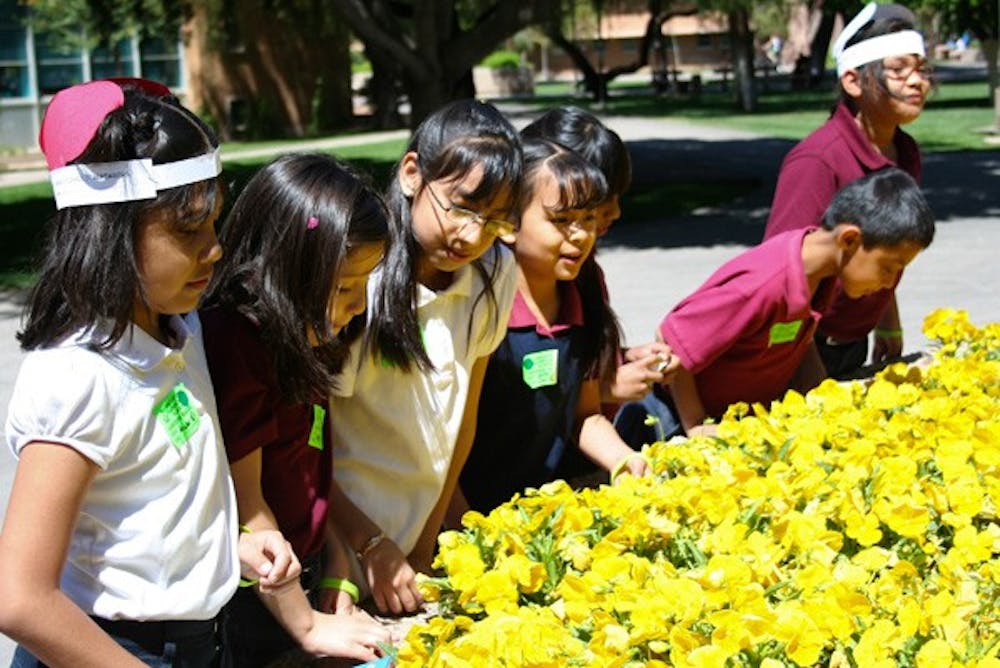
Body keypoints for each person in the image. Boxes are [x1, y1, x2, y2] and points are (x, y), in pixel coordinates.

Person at [0, 78, 297, 667]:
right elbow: (20, 599)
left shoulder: (180, 330)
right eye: (188, 229)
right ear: (107, 231)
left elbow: (145, 511)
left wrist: (237, 545)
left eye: (215, 222)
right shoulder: (79, 374)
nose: (214, 249)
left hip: (197, 643)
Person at [324, 99, 524, 616]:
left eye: (494, 219)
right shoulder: (357, 279)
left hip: (417, 551)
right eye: (459, 206)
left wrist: (427, 537)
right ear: (412, 174)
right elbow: (306, 443)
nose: (472, 236)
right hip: (335, 551)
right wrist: (364, 549)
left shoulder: (495, 271)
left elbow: (464, 419)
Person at [200, 154, 393, 667]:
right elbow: (249, 510)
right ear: (287, 273)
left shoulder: (308, 337)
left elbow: (308, 466)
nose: (359, 306)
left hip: (298, 576)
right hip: (253, 597)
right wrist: (306, 626)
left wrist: (335, 562)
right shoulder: (237, 345)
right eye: (346, 288)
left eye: (365, 285)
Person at [456, 138, 655, 514]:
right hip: (467, 516)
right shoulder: (477, 307)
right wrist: (459, 527)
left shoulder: (584, 297)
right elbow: (445, 445)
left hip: (543, 510)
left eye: (589, 219)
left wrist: (626, 461)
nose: (580, 234)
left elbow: (586, 415)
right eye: (561, 220)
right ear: (509, 224)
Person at [658, 168, 934, 436]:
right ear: (849, 240)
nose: (890, 283)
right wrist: (695, 425)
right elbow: (670, 339)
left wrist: (823, 397)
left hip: (737, 420)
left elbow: (801, 340)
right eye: (889, 267)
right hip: (670, 419)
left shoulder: (819, 274)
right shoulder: (764, 284)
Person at [764, 2, 932, 379]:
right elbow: (781, 278)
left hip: (852, 341)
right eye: (898, 70)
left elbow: (890, 245)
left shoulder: (905, 153)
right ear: (853, 81)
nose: (917, 81)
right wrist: (813, 376)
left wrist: (887, 319)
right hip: (803, 350)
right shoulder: (817, 160)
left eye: (921, 69)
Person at [519, 107, 677, 414]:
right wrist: (603, 388)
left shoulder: (584, 274)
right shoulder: (495, 294)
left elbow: (563, 357)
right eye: (601, 198)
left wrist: (621, 358)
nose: (615, 212)